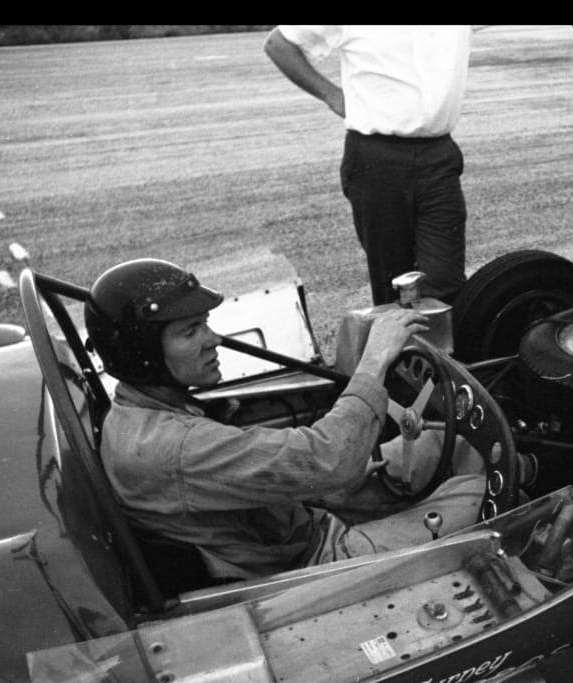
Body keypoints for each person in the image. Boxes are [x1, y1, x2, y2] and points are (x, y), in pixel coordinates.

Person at [85, 257, 485, 581]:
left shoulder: (137, 413)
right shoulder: (174, 446)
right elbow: (327, 460)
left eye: (204, 324)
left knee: (449, 444)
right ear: (145, 353)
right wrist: (375, 359)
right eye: (190, 332)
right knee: (486, 490)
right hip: (312, 562)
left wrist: (324, 490)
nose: (214, 340)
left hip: (296, 518)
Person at [264, 25, 472, 306]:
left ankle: (447, 349)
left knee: (445, 281)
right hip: (376, 159)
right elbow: (279, 44)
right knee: (394, 284)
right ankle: (398, 350)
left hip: (438, 157)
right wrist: (331, 95)